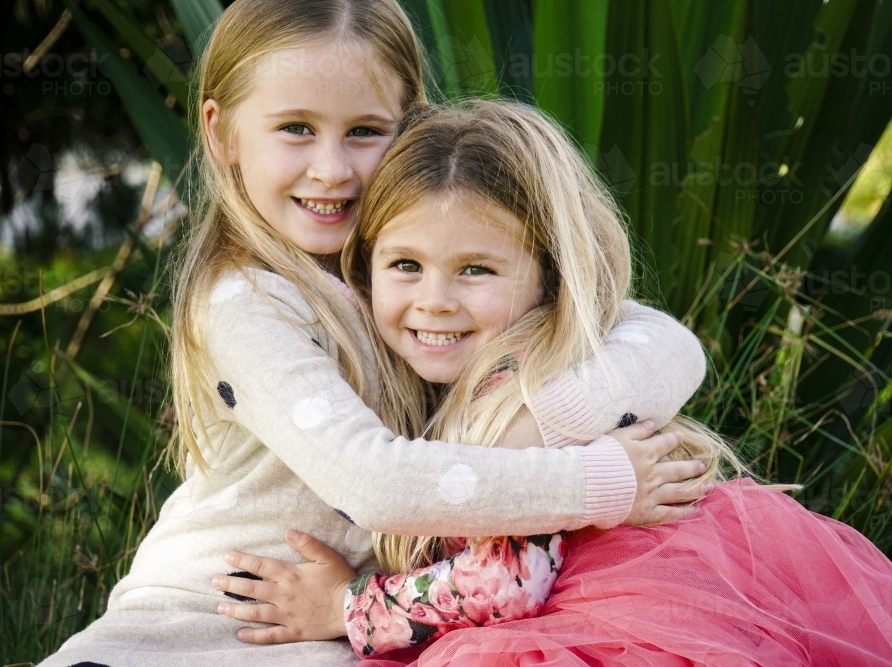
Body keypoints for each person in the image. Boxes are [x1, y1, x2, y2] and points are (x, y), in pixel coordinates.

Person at [35, 2, 710, 665]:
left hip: (347, 626)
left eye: (364, 131)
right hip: (208, 623)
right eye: (296, 128)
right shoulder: (246, 303)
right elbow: (373, 484)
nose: (331, 169)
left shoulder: (404, 268)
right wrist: (595, 481)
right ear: (223, 133)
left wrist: (535, 424)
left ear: (410, 127)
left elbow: (670, 344)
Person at [212, 101, 892, 665]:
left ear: (548, 276)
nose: (435, 301)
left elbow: (509, 580)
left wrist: (347, 607)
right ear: (364, 269)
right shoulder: (482, 368)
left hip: (616, 610)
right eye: (406, 266)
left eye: (476, 269)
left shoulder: (519, 384)